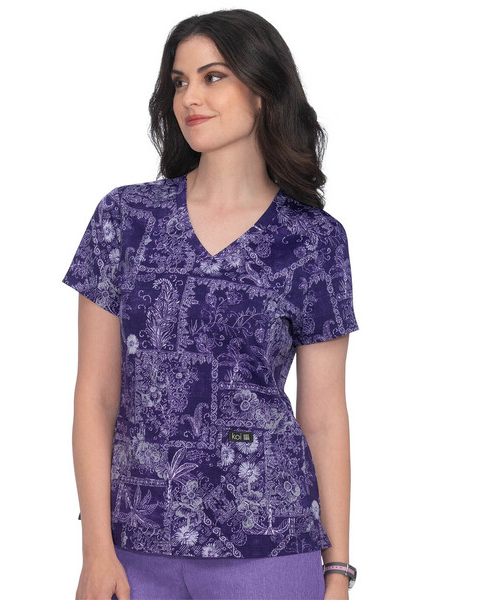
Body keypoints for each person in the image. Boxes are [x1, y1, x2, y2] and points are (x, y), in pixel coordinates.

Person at [62, 9, 359, 600]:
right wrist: (96, 549)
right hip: (134, 547)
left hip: (270, 545)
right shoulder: (126, 219)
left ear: (263, 90)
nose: (189, 97)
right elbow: (95, 395)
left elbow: (324, 418)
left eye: (213, 77)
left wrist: (338, 570)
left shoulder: (313, 240)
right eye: (179, 82)